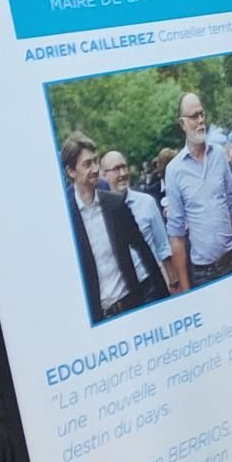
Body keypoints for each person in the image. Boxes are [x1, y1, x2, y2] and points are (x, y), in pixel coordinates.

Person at [64, 135, 167, 323]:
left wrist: (165, 301)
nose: (95, 169)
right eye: (87, 164)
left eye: (96, 162)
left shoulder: (115, 205)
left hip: (132, 306)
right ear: (71, 171)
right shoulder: (66, 219)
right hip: (99, 318)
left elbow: (145, 253)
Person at [163, 93, 232, 290]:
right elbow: (176, 233)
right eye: (194, 116)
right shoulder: (174, 171)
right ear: (182, 124)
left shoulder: (218, 155)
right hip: (204, 272)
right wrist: (185, 289)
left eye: (202, 114)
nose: (200, 120)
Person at [99, 147, 174, 287]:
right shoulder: (100, 214)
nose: (122, 173)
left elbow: (163, 247)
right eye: (116, 169)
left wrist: (173, 283)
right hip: (126, 290)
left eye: (124, 167)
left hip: (153, 282)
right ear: (103, 175)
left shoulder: (146, 203)